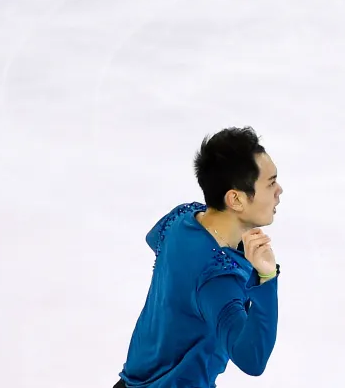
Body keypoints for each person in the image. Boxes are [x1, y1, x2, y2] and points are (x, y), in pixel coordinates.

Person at [114, 127, 283, 386]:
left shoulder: (181, 217)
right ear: (235, 199)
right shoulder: (217, 279)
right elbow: (252, 358)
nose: (279, 190)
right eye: (270, 183)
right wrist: (266, 277)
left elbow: (155, 239)